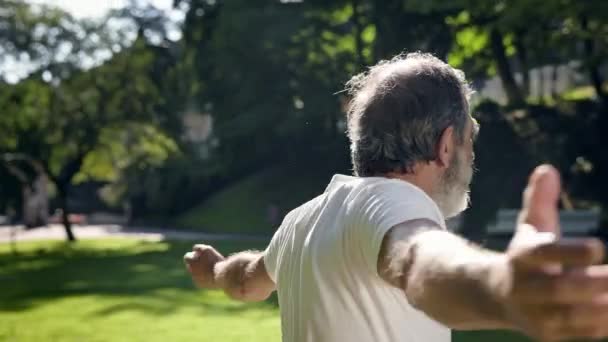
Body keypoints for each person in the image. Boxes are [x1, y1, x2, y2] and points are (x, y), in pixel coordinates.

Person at [184, 53, 608, 342]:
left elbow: (246, 280)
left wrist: (215, 268)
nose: (471, 153)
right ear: (445, 146)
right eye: (469, 138)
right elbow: (419, 259)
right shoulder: (395, 201)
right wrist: (501, 288)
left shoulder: (301, 221)